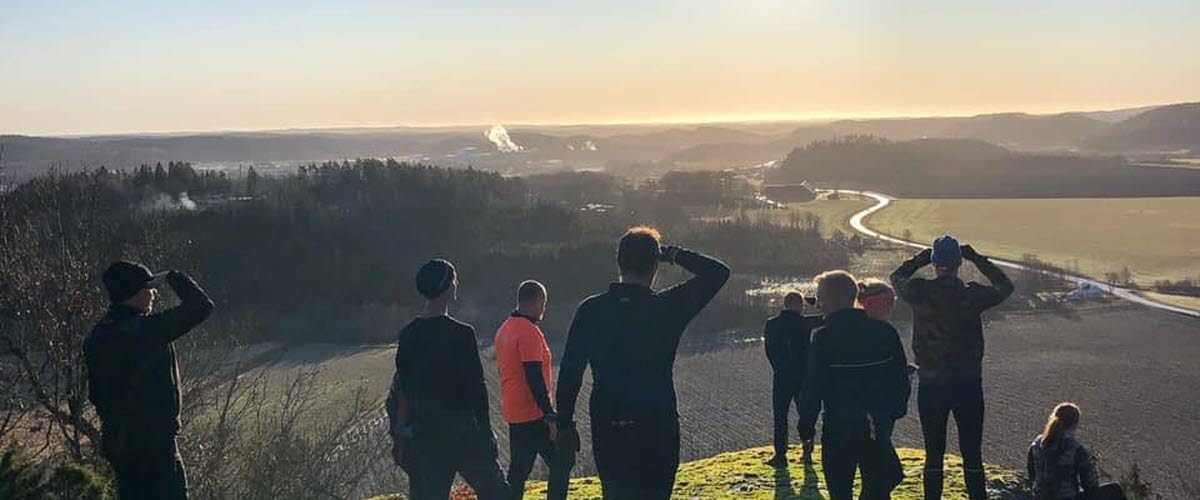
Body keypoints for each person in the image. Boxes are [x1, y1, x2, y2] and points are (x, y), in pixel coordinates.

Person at [555, 226, 730, 499]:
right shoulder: (667, 308)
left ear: (618, 262)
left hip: (609, 423)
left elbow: (570, 372)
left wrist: (565, 424)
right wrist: (672, 253)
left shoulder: (590, 310)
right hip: (657, 425)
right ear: (655, 266)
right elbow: (719, 272)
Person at [890, 236, 1014, 500]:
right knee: (972, 454)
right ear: (959, 263)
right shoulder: (972, 295)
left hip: (931, 385)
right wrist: (978, 258)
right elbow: (1005, 286)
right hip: (968, 384)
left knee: (933, 454)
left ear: (935, 263)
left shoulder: (919, 292)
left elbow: (896, 277)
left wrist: (920, 259)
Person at [84, 261, 214, 500]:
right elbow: (201, 306)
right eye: (149, 287)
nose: (154, 293)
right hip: (157, 447)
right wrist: (174, 277)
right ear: (133, 293)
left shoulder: (97, 335)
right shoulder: (146, 331)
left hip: (121, 446)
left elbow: (96, 394)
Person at [386, 259, 510, 500]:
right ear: (447, 288)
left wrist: (400, 438)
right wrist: (487, 436)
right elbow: (477, 391)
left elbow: (404, 390)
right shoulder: (463, 334)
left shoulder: (409, 335)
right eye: (454, 279)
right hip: (464, 434)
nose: (457, 284)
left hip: (425, 437)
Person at [797, 270, 909, 500]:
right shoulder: (885, 332)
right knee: (878, 488)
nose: (818, 304)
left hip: (838, 428)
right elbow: (900, 379)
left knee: (840, 492)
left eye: (821, 297)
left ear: (833, 300)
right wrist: (891, 414)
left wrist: (806, 427)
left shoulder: (822, 338)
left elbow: (812, 387)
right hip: (875, 426)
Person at [494, 280, 573, 499]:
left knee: (518, 472)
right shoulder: (528, 331)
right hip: (534, 414)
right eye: (544, 303)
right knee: (562, 462)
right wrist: (549, 414)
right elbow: (533, 375)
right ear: (537, 301)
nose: (544, 308)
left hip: (514, 413)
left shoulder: (504, 329)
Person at [763, 291, 822, 466]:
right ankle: (807, 450)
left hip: (781, 376)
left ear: (784, 304)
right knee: (805, 413)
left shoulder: (772, 324)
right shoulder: (805, 323)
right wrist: (815, 302)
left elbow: (769, 350)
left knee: (780, 416)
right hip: (803, 376)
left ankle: (780, 455)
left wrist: (778, 368)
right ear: (799, 305)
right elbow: (830, 315)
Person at [1027, 403, 1126, 500]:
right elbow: (1090, 485)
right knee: (1115, 490)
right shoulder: (1076, 449)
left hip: (1039, 497)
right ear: (1074, 424)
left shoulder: (1037, 443)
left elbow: (1031, 473)